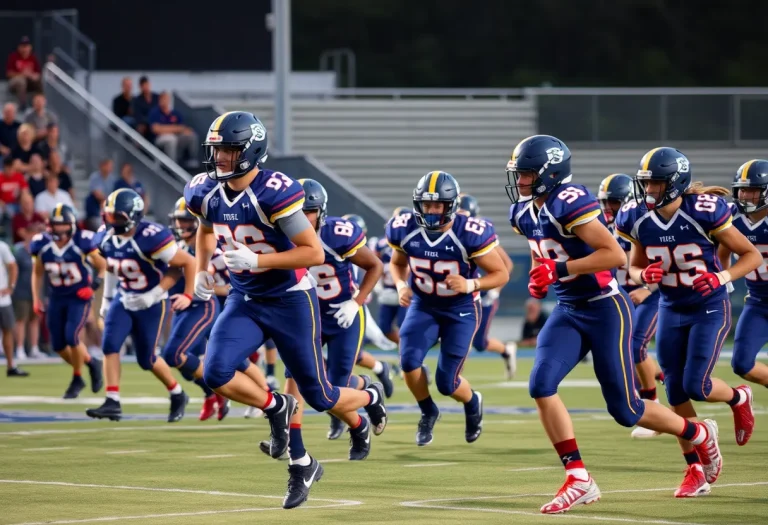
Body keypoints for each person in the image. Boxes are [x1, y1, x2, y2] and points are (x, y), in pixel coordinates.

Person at [508, 135, 725, 512]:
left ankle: (698, 431)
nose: (522, 181)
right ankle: (578, 477)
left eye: (527, 173)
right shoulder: (524, 212)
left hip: (607, 308)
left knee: (626, 411)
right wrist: (538, 277)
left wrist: (559, 269)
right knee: (540, 385)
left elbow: (612, 255)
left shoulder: (568, 201)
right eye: (520, 174)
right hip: (568, 308)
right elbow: (540, 253)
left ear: (550, 173)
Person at [184, 111, 387, 509]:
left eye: (228, 150)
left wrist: (258, 263)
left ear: (250, 151)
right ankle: (280, 414)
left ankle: (371, 395)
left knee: (321, 396)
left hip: (291, 299)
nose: (220, 157)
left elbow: (312, 252)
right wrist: (203, 268)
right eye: (217, 149)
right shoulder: (203, 192)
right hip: (246, 298)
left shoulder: (273, 192)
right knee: (216, 372)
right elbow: (205, 230)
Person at [618, 148, 759, 477]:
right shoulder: (635, 216)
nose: (649, 190)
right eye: (646, 183)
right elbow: (634, 265)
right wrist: (643, 276)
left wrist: (721, 276)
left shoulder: (704, 211)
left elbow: (750, 255)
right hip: (669, 304)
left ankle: (738, 396)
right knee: (675, 390)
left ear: (675, 183)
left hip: (708, 306)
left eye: (656, 183)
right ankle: (696, 468)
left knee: (698, 386)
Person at [387, 171, 509, 446]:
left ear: (450, 205)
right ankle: (428, 411)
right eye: (426, 205)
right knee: (408, 360)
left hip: (461, 309)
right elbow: (397, 263)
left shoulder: (469, 232)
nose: (430, 211)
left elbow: (501, 274)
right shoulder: (404, 227)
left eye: (437, 205)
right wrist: (400, 286)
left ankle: (472, 401)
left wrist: (470, 284)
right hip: (423, 304)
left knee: (447, 382)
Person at [86, 188, 196, 423]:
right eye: (109, 215)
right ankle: (112, 400)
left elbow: (186, 263)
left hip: (152, 302)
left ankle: (177, 393)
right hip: (124, 297)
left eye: (118, 217)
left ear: (133, 216)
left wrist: (157, 292)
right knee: (110, 345)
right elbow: (113, 267)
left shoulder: (152, 236)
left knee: (146, 359)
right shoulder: (104, 237)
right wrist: (106, 299)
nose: (111, 221)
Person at [299, 179, 384, 441]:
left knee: (337, 386)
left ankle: (370, 394)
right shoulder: (279, 235)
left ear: (321, 212)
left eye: (308, 210)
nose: (301, 217)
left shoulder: (337, 233)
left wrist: (356, 302)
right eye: (295, 210)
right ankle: (291, 435)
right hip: (308, 316)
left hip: (343, 314)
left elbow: (375, 266)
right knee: (304, 378)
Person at [597, 173, 666, 439]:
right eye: (604, 202)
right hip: (622, 296)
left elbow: (666, 262)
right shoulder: (601, 225)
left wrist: (647, 288)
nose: (607, 208)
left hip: (652, 294)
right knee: (624, 352)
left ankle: (653, 407)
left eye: (612, 202)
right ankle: (664, 377)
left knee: (636, 346)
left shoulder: (641, 222)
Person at [30, 204, 105, 398]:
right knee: (57, 345)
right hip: (56, 296)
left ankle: (77, 377)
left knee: (72, 336)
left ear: (71, 225)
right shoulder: (42, 244)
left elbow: (103, 266)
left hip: (78, 297)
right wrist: (36, 298)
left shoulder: (83, 241)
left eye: (62, 224)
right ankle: (90, 362)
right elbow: (37, 273)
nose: (58, 229)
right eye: (55, 224)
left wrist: (92, 287)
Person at [718, 160, 768, 389]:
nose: (746, 195)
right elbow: (722, 253)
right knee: (742, 364)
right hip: (758, 302)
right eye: (743, 189)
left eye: (753, 190)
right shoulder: (732, 216)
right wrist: (724, 282)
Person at [457, 193, 517, 379]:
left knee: (479, 342)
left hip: (482, 291)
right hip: (461, 292)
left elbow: (507, 265)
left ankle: (506, 350)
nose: (458, 217)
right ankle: (455, 375)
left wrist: (494, 291)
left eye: (462, 213)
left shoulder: (477, 233)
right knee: (459, 334)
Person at [0, 238, 26, 376]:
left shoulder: (2, 246)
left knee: (8, 330)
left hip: (2, 299)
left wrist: (10, 286)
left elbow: (12, 266)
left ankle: (11, 365)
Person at [13, 235, 41, 360]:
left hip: (36, 293)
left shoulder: (41, 253)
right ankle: (20, 348)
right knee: (21, 320)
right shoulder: (19, 253)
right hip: (21, 292)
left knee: (35, 321)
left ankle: (34, 348)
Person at [6, 37, 41, 108]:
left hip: (30, 82)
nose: (25, 49)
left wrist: (33, 75)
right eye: (23, 47)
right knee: (21, 81)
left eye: (26, 46)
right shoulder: (13, 57)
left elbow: (38, 73)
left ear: (30, 47)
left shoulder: (33, 58)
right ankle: (22, 105)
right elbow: (8, 74)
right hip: (15, 83)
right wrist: (22, 74)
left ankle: (39, 103)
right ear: (19, 48)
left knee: (38, 80)